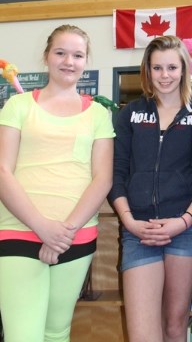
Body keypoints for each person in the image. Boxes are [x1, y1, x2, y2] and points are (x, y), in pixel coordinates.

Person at [0, 24, 114, 342]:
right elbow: (2, 171)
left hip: (75, 236)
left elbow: (102, 177)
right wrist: (42, 228)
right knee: (23, 336)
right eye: (60, 52)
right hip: (18, 230)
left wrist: (64, 232)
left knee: (56, 332)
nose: (69, 61)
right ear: (47, 56)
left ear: (85, 60)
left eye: (77, 55)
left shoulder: (98, 115)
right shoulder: (17, 107)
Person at [108, 35, 192, 342]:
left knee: (175, 326)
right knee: (142, 334)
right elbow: (116, 172)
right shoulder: (130, 114)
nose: (165, 75)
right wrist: (129, 222)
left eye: (172, 67)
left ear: (184, 70)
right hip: (138, 230)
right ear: (147, 71)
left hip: (185, 230)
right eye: (157, 68)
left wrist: (183, 221)